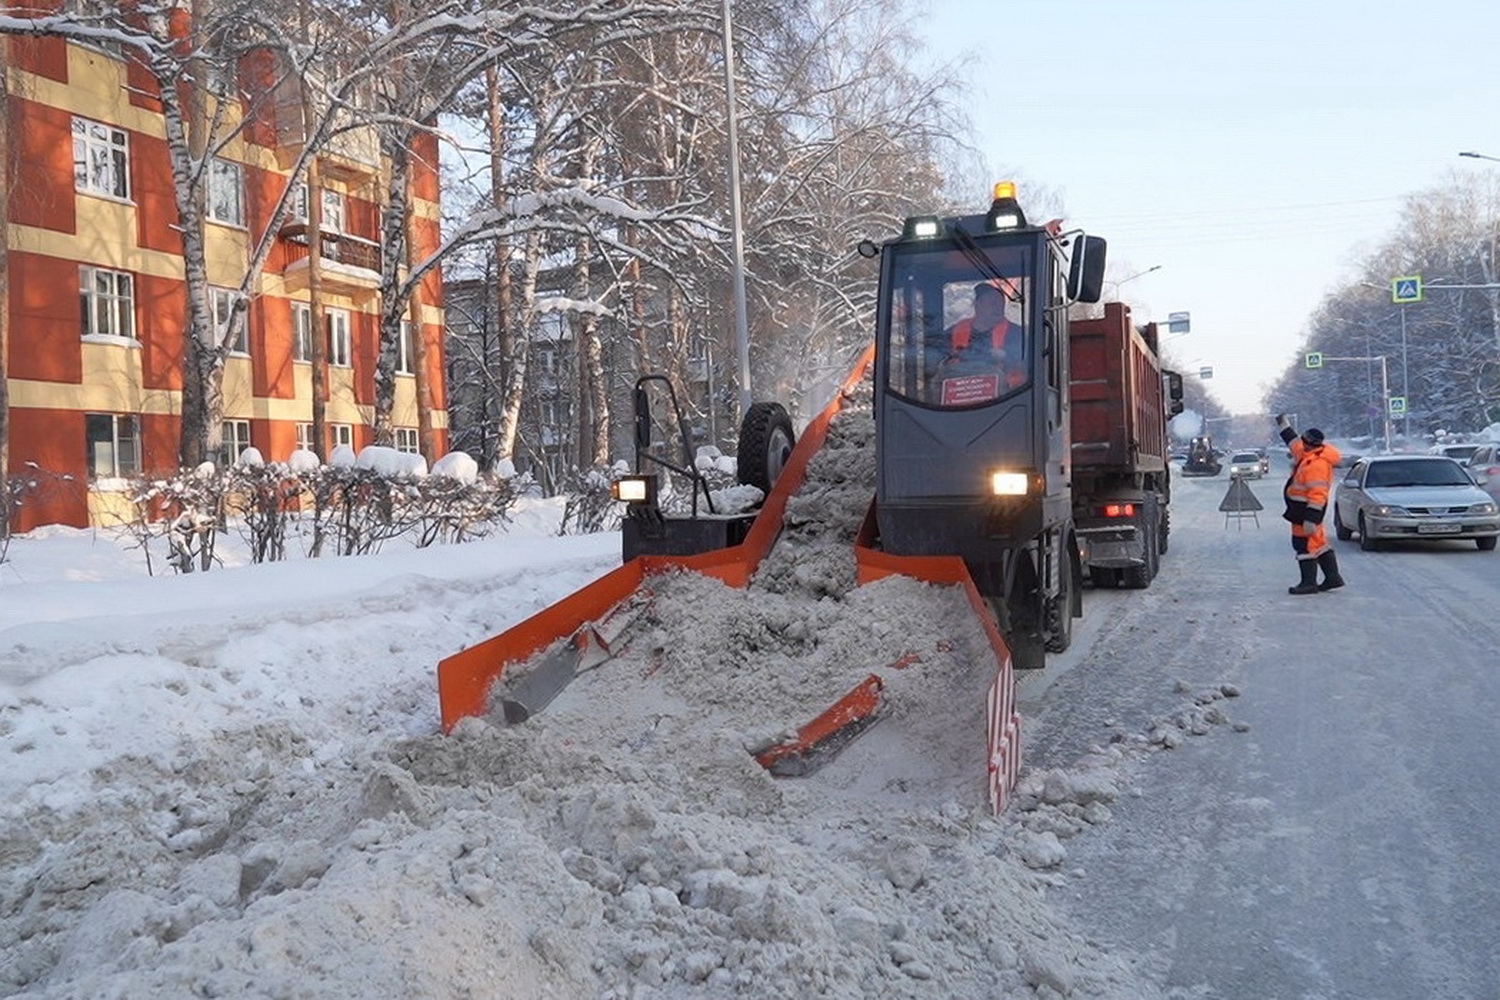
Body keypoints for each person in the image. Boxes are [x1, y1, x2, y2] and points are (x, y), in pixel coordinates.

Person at [1276, 414, 1345, 594]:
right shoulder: (1308, 453)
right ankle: (1333, 578)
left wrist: (1311, 519)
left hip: (1306, 512)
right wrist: (1284, 427)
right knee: (1318, 543)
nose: (1302, 444)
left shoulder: (1317, 465)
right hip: (1300, 511)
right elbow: (1294, 443)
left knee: (1303, 545)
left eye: (1305, 442)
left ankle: (1308, 583)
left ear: (1312, 444)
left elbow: (1318, 495)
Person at [932, 281, 1025, 400]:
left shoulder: (1016, 333)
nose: (998, 307)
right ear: (977, 304)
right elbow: (935, 360)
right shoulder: (954, 332)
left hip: (1006, 398)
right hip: (957, 397)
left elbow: (1026, 362)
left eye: (1001, 304)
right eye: (992, 303)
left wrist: (1005, 356)